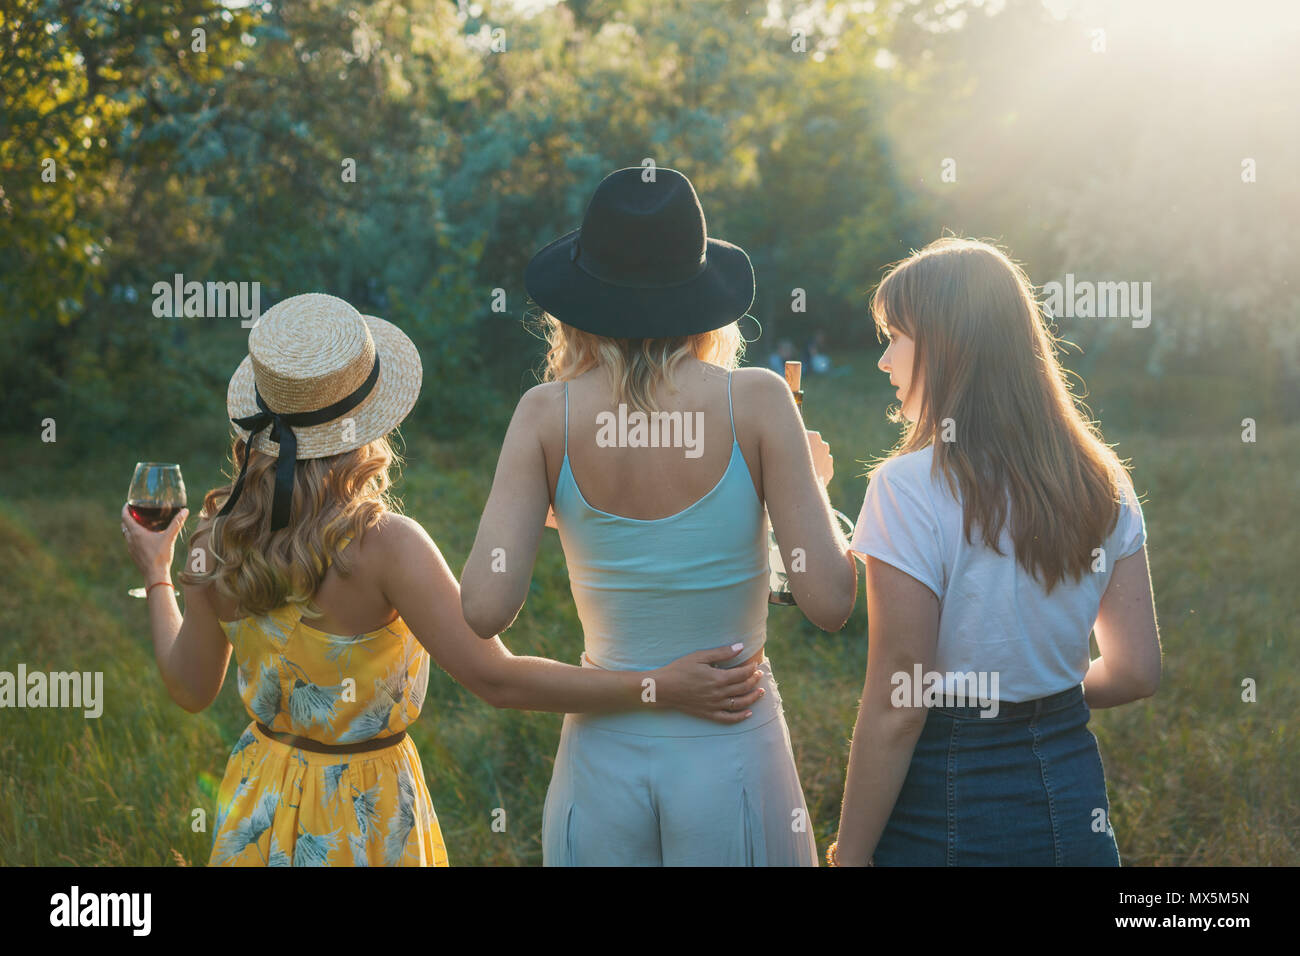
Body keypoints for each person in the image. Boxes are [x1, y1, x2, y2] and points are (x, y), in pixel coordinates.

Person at [120, 292, 763, 866]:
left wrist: (157, 573)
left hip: (257, 806)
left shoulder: (215, 536)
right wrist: (660, 687)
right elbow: (497, 679)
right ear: (369, 421)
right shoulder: (384, 546)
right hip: (363, 816)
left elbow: (189, 687)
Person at [460, 167, 859, 865]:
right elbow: (829, 601)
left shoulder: (543, 414)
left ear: (580, 301)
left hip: (600, 757)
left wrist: (561, 508)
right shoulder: (760, 400)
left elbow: (484, 606)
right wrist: (811, 488)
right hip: (731, 749)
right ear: (701, 294)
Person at [828, 237, 1161, 866]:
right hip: (1073, 794)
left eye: (895, 337)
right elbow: (1138, 670)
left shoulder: (907, 488)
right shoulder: (1103, 478)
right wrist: (1037, 692)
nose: (883, 361)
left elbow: (900, 705)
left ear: (946, 347)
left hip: (947, 805)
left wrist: (849, 856)